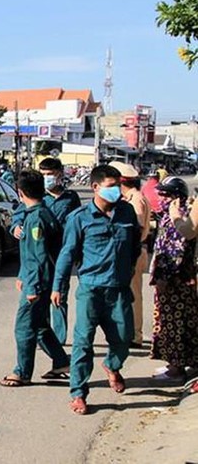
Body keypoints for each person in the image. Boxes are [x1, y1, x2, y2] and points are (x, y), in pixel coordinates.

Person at [53, 164, 141, 415]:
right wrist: (59, 286)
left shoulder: (126, 213)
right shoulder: (79, 218)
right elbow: (67, 254)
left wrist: (130, 268)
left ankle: (112, 365)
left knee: (125, 338)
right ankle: (78, 393)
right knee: (83, 343)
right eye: (111, 187)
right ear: (95, 187)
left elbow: (134, 244)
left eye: (118, 187)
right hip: (91, 289)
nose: (117, 192)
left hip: (119, 289)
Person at [0, 171, 70, 387]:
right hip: (37, 280)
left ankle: (22, 372)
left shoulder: (36, 219)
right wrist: (23, 276)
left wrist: (33, 287)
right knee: (39, 325)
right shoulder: (40, 214)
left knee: (24, 327)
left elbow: (38, 257)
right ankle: (61, 362)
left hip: (38, 283)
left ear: (20, 192)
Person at [11, 157, 82, 344]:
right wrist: (16, 227)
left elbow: (78, 225)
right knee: (40, 298)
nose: (47, 178)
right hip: (39, 255)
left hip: (60, 255)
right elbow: (18, 216)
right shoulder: (37, 197)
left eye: (50, 174)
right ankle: (45, 338)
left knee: (59, 297)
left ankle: (58, 339)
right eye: (43, 175)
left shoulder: (70, 198)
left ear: (59, 174)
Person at [147, 177, 198, 381]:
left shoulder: (180, 216)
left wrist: (165, 278)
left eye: (166, 194)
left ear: (177, 197)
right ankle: (173, 363)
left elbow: (177, 251)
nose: (161, 197)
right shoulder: (169, 215)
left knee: (174, 325)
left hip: (175, 281)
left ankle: (176, 368)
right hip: (174, 279)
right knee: (170, 323)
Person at [110, 161, 152, 349]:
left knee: (133, 294)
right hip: (131, 252)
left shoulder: (135, 200)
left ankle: (135, 334)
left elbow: (135, 230)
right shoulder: (129, 198)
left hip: (134, 252)